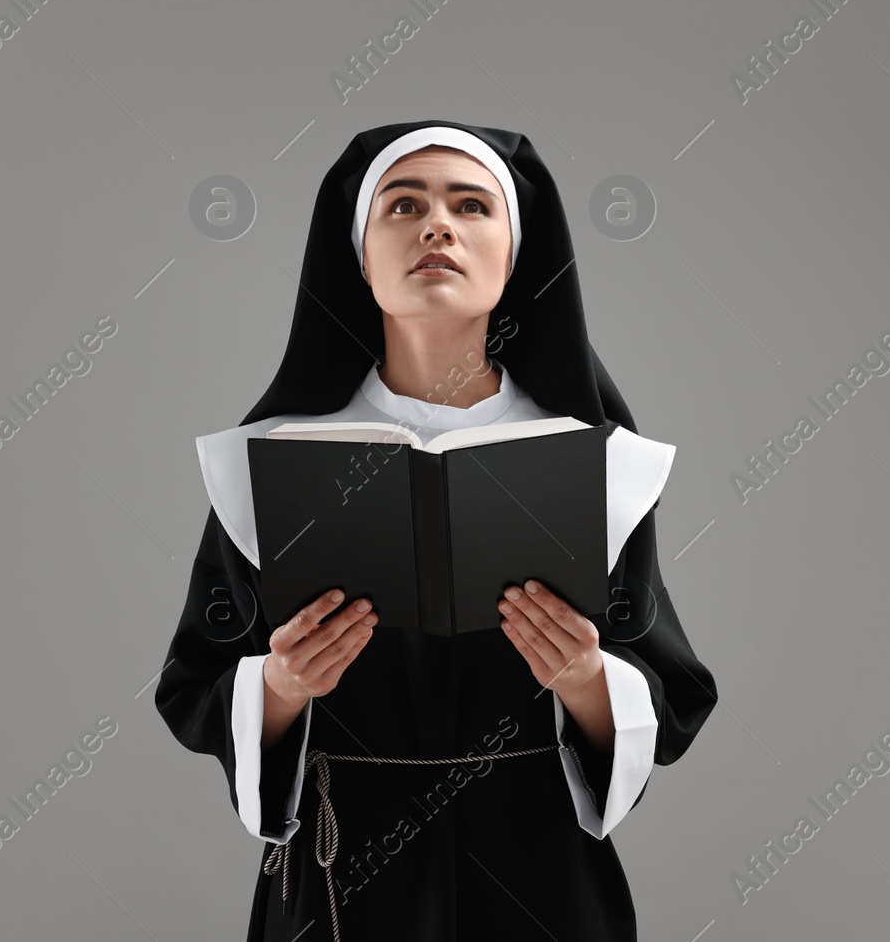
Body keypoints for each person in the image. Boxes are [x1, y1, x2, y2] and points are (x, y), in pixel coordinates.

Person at [155, 120, 717, 941]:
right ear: (359, 253)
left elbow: (667, 691)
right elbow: (194, 681)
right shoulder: (270, 464)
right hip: (344, 880)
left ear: (514, 252)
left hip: (540, 878)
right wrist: (279, 686)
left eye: (472, 205)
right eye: (404, 203)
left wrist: (585, 675)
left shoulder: (595, 464)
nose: (438, 225)